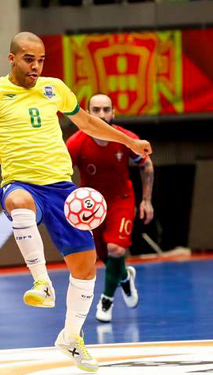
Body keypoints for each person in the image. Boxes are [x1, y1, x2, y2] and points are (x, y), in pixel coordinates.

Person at [0, 32, 152, 373]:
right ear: (12, 58)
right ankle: (42, 283)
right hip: (21, 181)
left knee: (86, 266)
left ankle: (71, 338)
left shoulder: (55, 88)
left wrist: (130, 143)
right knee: (18, 202)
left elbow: (89, 123)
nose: (36, 65)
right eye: (29, 59)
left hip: (62, 188)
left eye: (41, 59)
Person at [66, 93, 154, 323]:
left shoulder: (125, 138)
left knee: (116, 249)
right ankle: (124, 277)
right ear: (87, 113)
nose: (102, 114)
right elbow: (62, 172)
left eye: (106, 109)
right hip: (91, 207)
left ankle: (106, 301)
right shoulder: (76, 142)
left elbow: (146, 165)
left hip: (121, 200)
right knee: (105, 257)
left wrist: (146, 200)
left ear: (113, 112)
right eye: (96, 110)